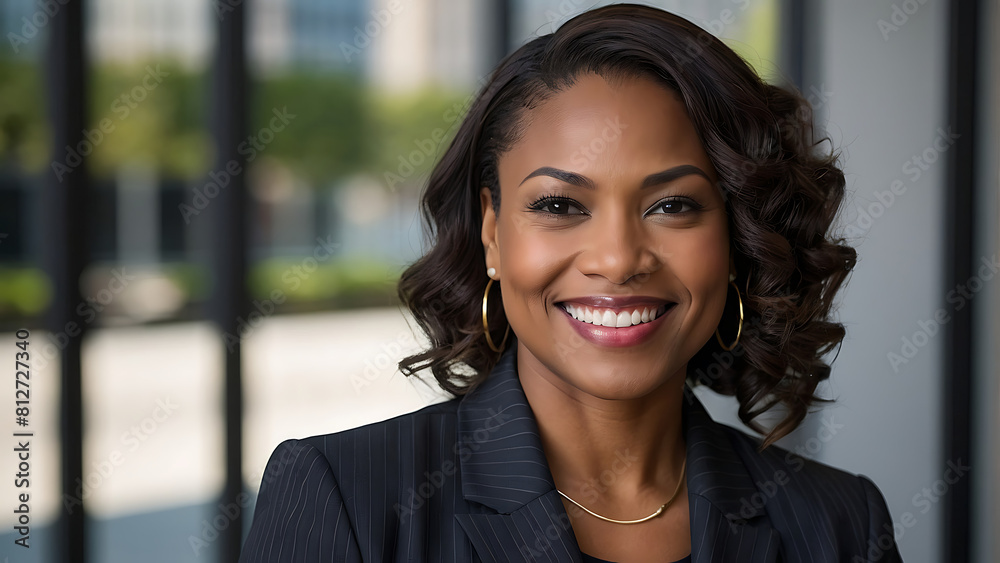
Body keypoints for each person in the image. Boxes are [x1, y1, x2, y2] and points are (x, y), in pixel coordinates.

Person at [239, 4, 902, 562]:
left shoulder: (840, 523)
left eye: (673, 205)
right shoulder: (346, 497)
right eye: (559, 205)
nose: (617, 259)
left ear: (735, 239)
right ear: (493, 233)